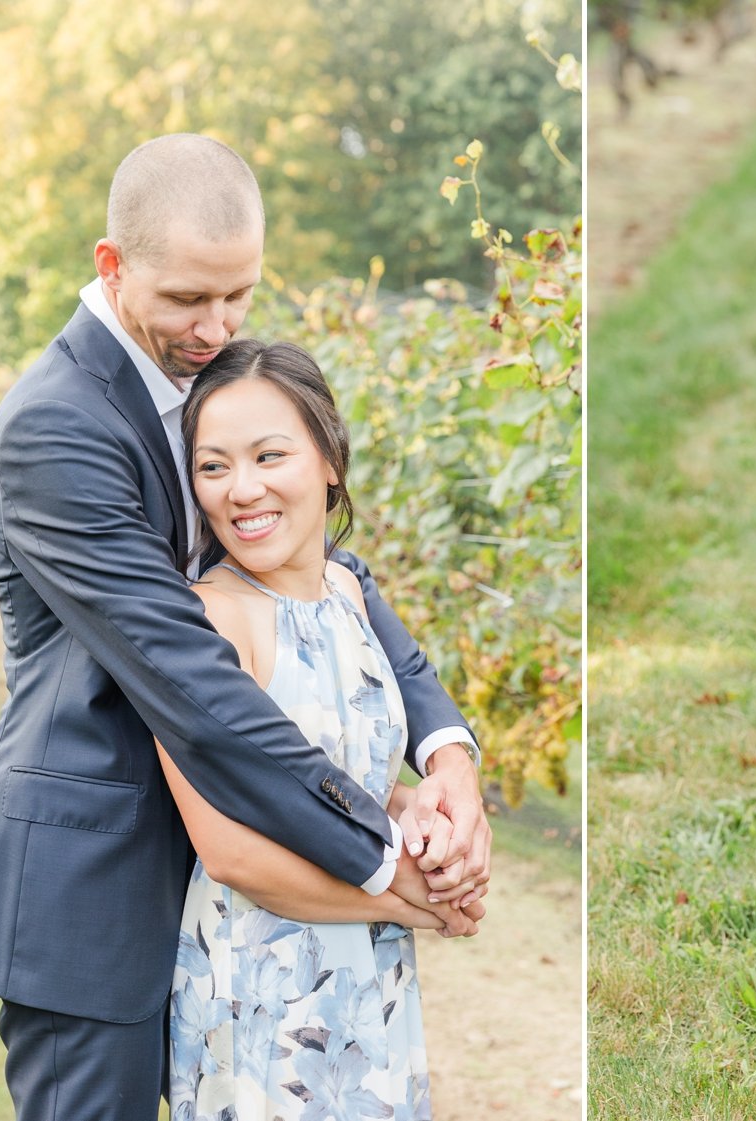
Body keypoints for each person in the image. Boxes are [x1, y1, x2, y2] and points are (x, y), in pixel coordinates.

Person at [0, 133, 490, 1121]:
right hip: (93, 881)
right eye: (190, 298)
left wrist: (445, 752)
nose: (217, 325)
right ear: (112, 264)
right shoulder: (57, 423)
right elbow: (187, 670)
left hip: (227, 880)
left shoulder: (202, 383)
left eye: (239, 295)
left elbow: (329, 570)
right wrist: (375, 839)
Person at [164, 337, 468, 1118]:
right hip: (265, 983)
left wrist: (425, 819)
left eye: (271, 455)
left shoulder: (348, 591)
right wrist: (413, 902)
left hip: (370, 970)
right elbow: (229, 849)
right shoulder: (207, 622)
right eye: (214, 466)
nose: (243, 489)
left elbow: (354, 771)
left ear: (329, 457)